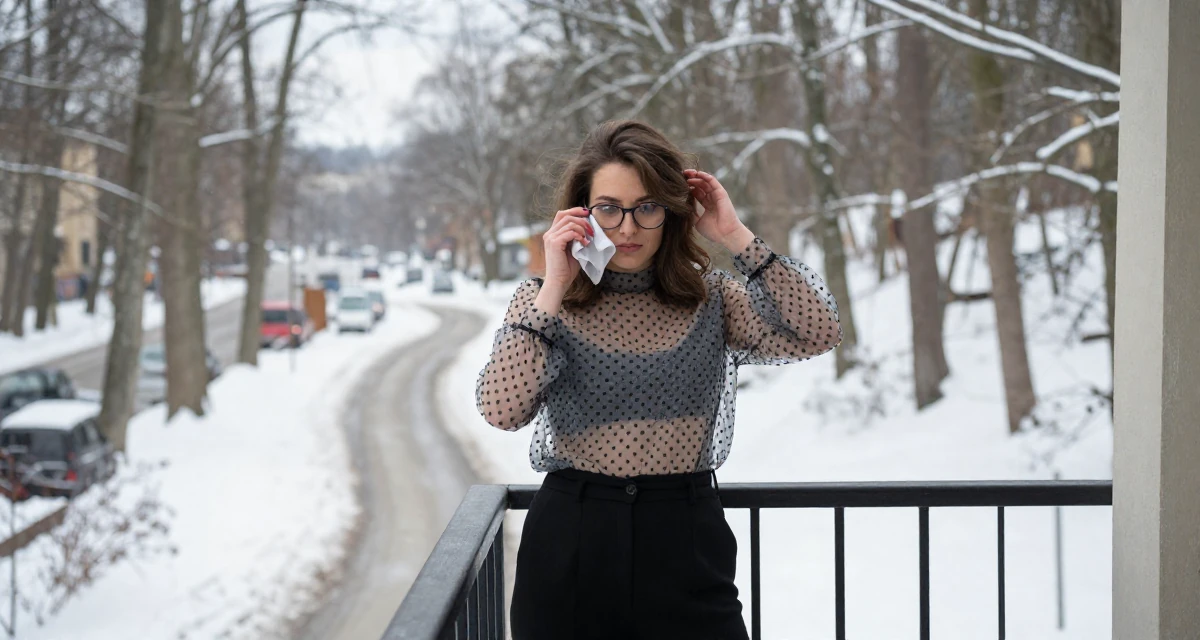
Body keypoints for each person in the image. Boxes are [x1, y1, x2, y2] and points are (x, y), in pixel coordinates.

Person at [476, 120, 842, 639]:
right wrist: (555, 283)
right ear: (582, 211)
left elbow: (818, 330)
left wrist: (734, 235)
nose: (627, 228)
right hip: (572, 546)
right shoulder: (545, 302)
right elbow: (501, 409)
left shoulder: (713, 299)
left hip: (685, 545)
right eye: (609, 207)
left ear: (671, 212)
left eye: (646, 207)